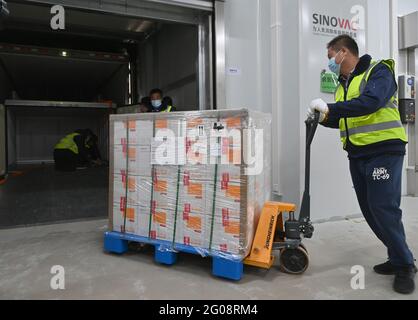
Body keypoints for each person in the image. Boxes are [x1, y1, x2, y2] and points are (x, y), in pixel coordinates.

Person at [308, 35, 416, 295]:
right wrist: (322, 117)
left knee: (383, 207)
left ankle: (404, 265)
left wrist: (331, 109)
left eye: (331, 56)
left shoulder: (378, 70)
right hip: (357, 154)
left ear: (343, 52)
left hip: (384, 150)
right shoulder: (342, 84)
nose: (331, 62)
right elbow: (344, 119)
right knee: (369, 209)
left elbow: (371, 102)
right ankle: (396, 255)